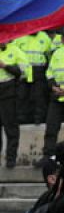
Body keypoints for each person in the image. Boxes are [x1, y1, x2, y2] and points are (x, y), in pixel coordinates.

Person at [0, 35, 25, 167]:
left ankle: (11, 159)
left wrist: (5, 66)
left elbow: (21, 71)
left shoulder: (15, 50)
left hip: (9, 92)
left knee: (11, 127)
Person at [18, 27, 52, 125]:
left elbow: (49, 54)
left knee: (39, 95)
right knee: (22, 95)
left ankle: (39, 118)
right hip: (24, 70)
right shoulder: (20, 36)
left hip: (39, 70)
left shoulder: (44, 37)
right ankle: (23, 119)